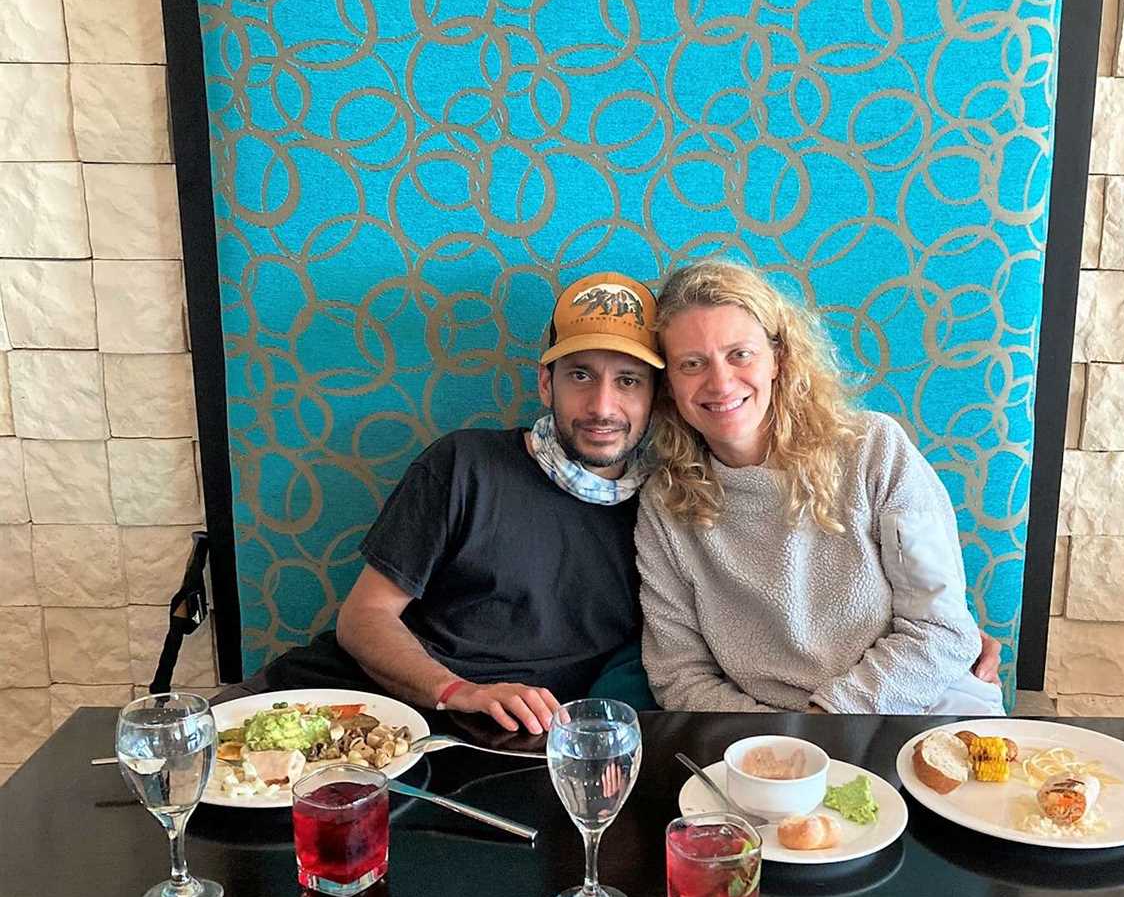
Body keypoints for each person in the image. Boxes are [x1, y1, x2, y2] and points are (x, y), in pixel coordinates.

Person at [231, 271, 665, 735]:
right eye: (581, 375)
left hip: (500, 745)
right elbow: (362, 619)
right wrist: (459, 691)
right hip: (345, 702)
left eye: (628, 381)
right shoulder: (465, 464)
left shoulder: (665, 514)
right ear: (545, 383)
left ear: (656, 396)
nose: (602, 405)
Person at [635, 259, 1006, 716]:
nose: (721, 381)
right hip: (761, 741)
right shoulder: (665, 502)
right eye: (692, 364)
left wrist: (821, 724)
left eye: (740, 354)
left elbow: (942, 630)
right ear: (669, 384)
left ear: (778, 359)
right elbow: (679, 675)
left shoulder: (874, 450)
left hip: (920, 709)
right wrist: (781, 746)